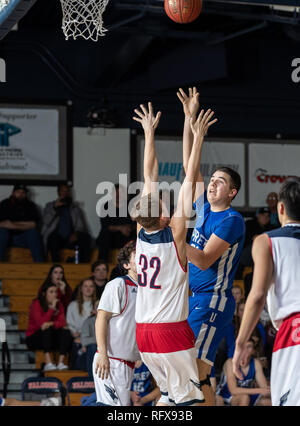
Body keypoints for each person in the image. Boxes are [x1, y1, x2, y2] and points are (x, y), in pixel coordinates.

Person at [132, 102, 217, 406]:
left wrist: (149, 133)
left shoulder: (141, 234)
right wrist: (197, 133)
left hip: (143, 333)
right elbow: (191, 175)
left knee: (168, 398)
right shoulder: (176, 234)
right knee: (189, 404)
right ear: (164, 217)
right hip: (171, 333)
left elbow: (149, 172)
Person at [177, 87, 246, 406]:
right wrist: (188, 119)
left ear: (232, 192)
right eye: (213, 179)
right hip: (196, 299)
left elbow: (204, 260)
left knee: (191, 371)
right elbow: (189, 169)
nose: (213, 183)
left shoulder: (232, 220)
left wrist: (175, 235)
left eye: (221, 181)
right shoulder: (204, 207)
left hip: (213, 300)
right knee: (197, 374)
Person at [232, 177, 300, 406]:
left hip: (295, 332)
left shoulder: (266, 241)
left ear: (280, 208)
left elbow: (258, 295)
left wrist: (240, 343)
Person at [93, 240, 140, 406]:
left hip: (129, 363)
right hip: (111, 361)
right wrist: (103, 354)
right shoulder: (118, 284)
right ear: (126, 264)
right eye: (137, 254)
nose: (143, 256)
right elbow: (101, 319)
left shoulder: (149, 288)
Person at [25, 282, 72, 371]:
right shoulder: (36, 303)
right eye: (51, 292)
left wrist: (52, 323)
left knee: (66, 331)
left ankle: (61, 363)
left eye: (55, 292)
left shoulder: (60, 304)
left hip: (51, 337)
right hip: (34, 338)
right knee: (47, 329)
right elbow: (41, 324)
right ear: (44, 294)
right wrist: (51, 309)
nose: (54, 294)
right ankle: (48, 362)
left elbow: (63, 323)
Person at [42, 183, 91, 263]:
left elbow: (80, 225)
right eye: (62, 191)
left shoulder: (74, 208)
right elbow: (46, 222)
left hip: (71, 237)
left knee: (86, 237)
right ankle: (56, 264)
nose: (65, 193)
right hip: (57, 237)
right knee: (53, 238)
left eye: (67, 191)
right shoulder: (50, 206)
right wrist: (54, 208)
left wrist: (76, 233)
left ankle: (82, 263)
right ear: (58, 193)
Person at [216, 339, 271, 406]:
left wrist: (268, 391)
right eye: (242, 347)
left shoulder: (256, 363)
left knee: (268, 402)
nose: (245, 350)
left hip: (248, 394)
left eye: (249, 347)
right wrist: (260, 390)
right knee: (244, 398)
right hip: (227, 395)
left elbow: (264, 388)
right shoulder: (230, 363)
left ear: (253, 351)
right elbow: (233, 390)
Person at [0, 184, 44, 262]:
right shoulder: (4, 204)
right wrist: (24, 224)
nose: (21, 194)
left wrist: (12, 225)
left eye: (23, 192)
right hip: (6, 238)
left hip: (23, 239)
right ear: (13, 193)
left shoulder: (30, 205)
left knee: (33, 232)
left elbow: (33, 225)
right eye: (18, 192)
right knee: (2, 232)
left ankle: (39, 265)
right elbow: (1, 224)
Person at [96, 183, 136, 262]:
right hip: (112, 238)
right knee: (105, 234)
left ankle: (135, 263)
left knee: (138, 233)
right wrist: (120, 228)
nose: (118, 195)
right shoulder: (106, 206)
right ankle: (102, 262)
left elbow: (137, 223)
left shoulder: (131, 206)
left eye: (120, 192)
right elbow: (105, 225)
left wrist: (129, 228)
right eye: (116, 192)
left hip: (127, 235)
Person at [66, 278, 97, 369]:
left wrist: (84, 340)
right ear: (81, 288)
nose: (88, 289)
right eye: (85, 286)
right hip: (77, 336)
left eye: (91, 286)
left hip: (93, 338)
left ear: (94, 289)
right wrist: (75, 334)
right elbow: (70, 323)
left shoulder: (98, 305)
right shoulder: (73, 305)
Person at [81, 299, 99, 377]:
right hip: (91, 352)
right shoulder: (88, 322)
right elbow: (85, 340)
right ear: (93, 310)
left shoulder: (112, 322)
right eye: (97, 306)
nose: (100, 308)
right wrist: (102, 341)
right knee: (92, 347)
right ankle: (92, 378)